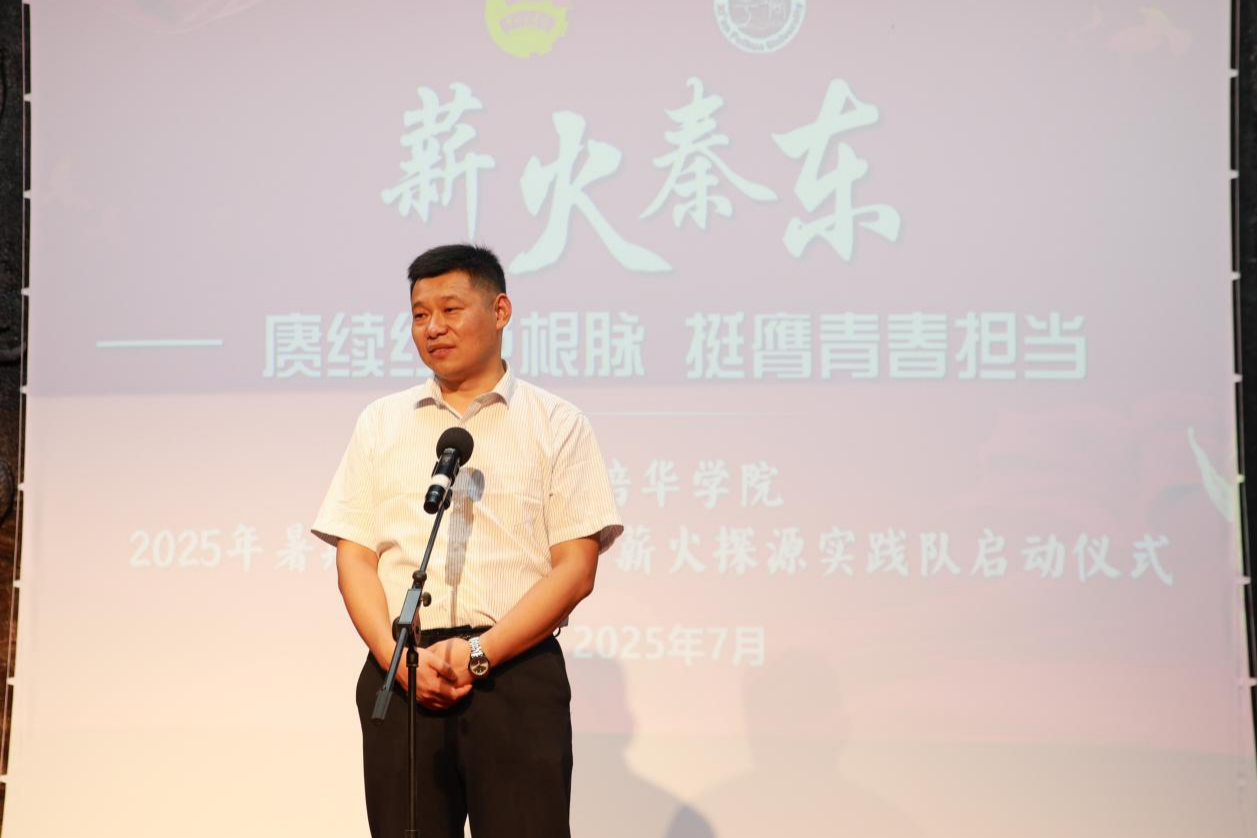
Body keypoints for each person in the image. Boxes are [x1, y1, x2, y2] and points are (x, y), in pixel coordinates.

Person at [312, 244, 623, 838]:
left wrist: (481, 654)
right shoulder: (382, 422)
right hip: (403, 672)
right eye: (419, 314)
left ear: (500, 310)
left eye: (451, 309)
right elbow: (355, 555)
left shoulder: (556, 423)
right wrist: (395, 658)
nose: (433, 328)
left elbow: (576, 568)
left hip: (514, 675)